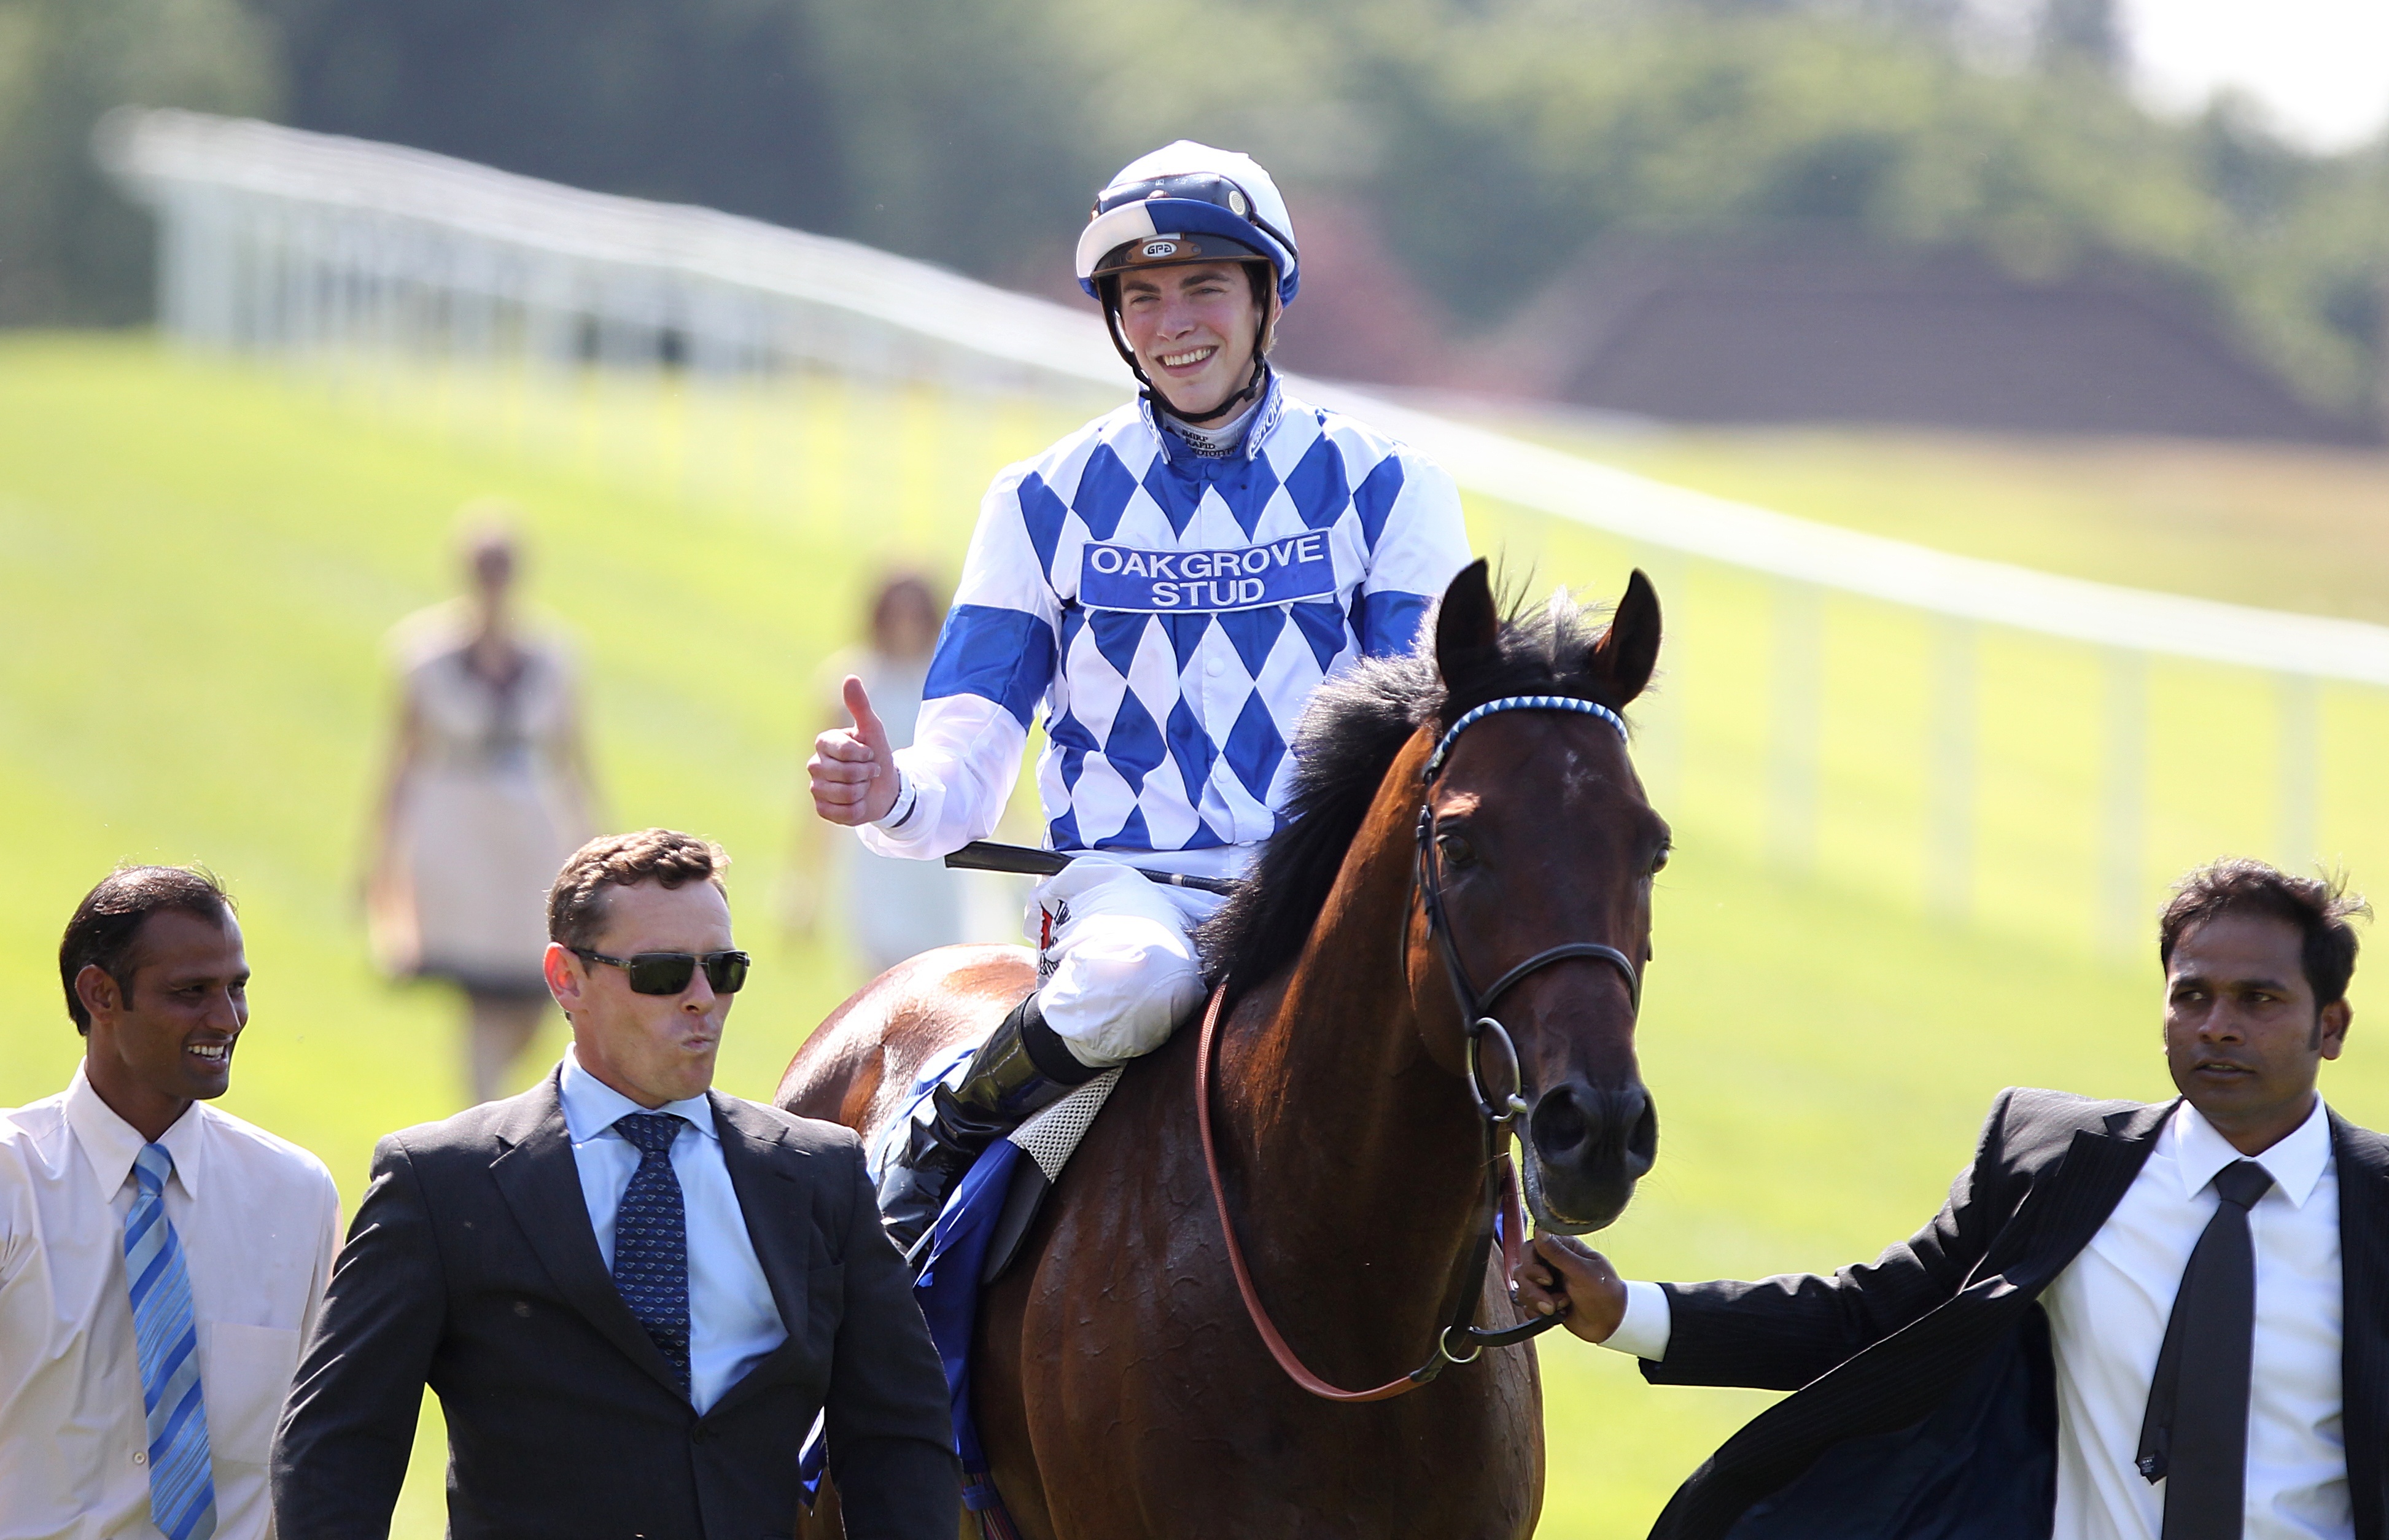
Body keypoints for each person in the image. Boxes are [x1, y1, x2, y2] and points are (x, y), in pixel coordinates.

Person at [808, 140, 1473, 1253]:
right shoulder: (1040, 499)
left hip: (1318, 898)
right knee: (1139, 976)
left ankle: (1513, 1246)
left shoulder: (1390, 485)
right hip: (1126, 898)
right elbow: (967, 755)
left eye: (1204, 287)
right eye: (1143, 296)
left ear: (1267, 297)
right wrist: (893, 790)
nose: (1174, 324)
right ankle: (944, 1129)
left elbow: (1429, 738)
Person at [1515, 857, 2389, 1540]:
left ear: (2331, 1025)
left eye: (2258, 1000)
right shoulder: (2056, 1162)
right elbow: (1871, 1317)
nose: (2217, 1026)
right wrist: (1628, 1310)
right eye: (2190, 996)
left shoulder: (2375, 1206)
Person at [273, 828, 956, 1539]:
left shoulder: (822, 1174)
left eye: (723, 969)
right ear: (567, 978)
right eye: (664, 973)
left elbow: (901, 1434)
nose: (703, 999)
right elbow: (336, 1448)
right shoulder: (440, 1183)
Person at [1, 866, 342, 1540]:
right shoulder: (12, 1180)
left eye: (236, 988)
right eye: (191, 992)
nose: (227, 1018)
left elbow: (317, 1446)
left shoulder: (297, 1194)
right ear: (100, 994)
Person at [365, 510, 597, 1106]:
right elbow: (398, 758)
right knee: (479, 989)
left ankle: (491, 1097)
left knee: (541, 987)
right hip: (454, 830)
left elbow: (576, 760)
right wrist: (379, 858)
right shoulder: (423, 656)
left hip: (529, 835)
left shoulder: (555, 657)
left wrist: (597, 844)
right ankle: (480, 1110)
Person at [788, 571, 968, 975]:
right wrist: (805, 885)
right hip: (876, 853)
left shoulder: (947, 680)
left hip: (939, 847)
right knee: (884, 971)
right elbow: (821, 786)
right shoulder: (854, 681)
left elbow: (975, 770)